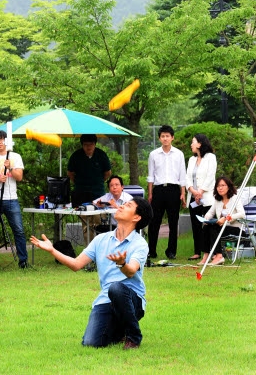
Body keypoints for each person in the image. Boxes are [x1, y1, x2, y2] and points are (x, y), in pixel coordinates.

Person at [30, 197, 153, 349]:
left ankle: (134, 337)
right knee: (91, 343)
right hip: (106, 299)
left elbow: (131, 271)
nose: (120, 207)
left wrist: (122, 263)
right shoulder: (100, 239)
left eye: (128, 205)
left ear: (136, 217)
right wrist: (52, 250)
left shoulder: (139, 243)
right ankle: (120, 331)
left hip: (132, 300)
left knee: (116, 288)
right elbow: (76, 265)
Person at [0, 130, 28, 272]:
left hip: (11, 198)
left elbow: (19, 177)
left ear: (7, 141)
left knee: (18, 230)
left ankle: (23, 261)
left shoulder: (15, 157)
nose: (0, 142)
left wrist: (10, 167)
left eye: (2, 139)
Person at [147, 125, 186, 260]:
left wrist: (183, 193)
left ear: (172, 137)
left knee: (173, 222)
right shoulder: (153, 154)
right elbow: (151, 176)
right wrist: (150, 193)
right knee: (154, 222)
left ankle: (171, 251)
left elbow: (182, 175)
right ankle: (151, 250)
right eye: (162, 136)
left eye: (167, 136)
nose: (165, 138)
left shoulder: (179, 154)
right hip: (158, 190)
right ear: (159, 138)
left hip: (174, 190)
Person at [68, 134, 111, 241]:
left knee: (99, 223)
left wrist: (98, 182)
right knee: (86, 225)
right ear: (82, 145)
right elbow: (70, 173)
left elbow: (107, 172)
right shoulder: (76, 156)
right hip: (81, 194)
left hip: (98, 194)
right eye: (85, 145)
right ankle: (89, 253)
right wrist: (79, 183)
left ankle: (101, 250)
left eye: (91, 144)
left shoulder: (101, 155)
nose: (88, 147)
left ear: (95, 144)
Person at [198, 176, 245, 266]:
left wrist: (227, 218)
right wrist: (206, 218)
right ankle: (206, 256)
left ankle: (219, 256)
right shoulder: (217, 200)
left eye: (223, 185)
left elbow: (242, 214)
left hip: (236, 229)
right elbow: (210, 213)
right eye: (218, 186)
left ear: (228, 187)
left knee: (213, 228)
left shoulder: (235, 198)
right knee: (207, 226)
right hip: (221, 229)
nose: (220, 188)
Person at [186, 134, 217, 261]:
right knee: (195, 225)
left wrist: (201, 191)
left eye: (193, 142)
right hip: (194, 197)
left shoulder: (210, 157)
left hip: (206, 197)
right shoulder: (191, 160)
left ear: (200, 144)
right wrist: (193, 191)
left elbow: (211, 176)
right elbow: (187, 177)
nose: (191, 145)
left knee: (207, 224)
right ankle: (197, 251)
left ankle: (210, 251)